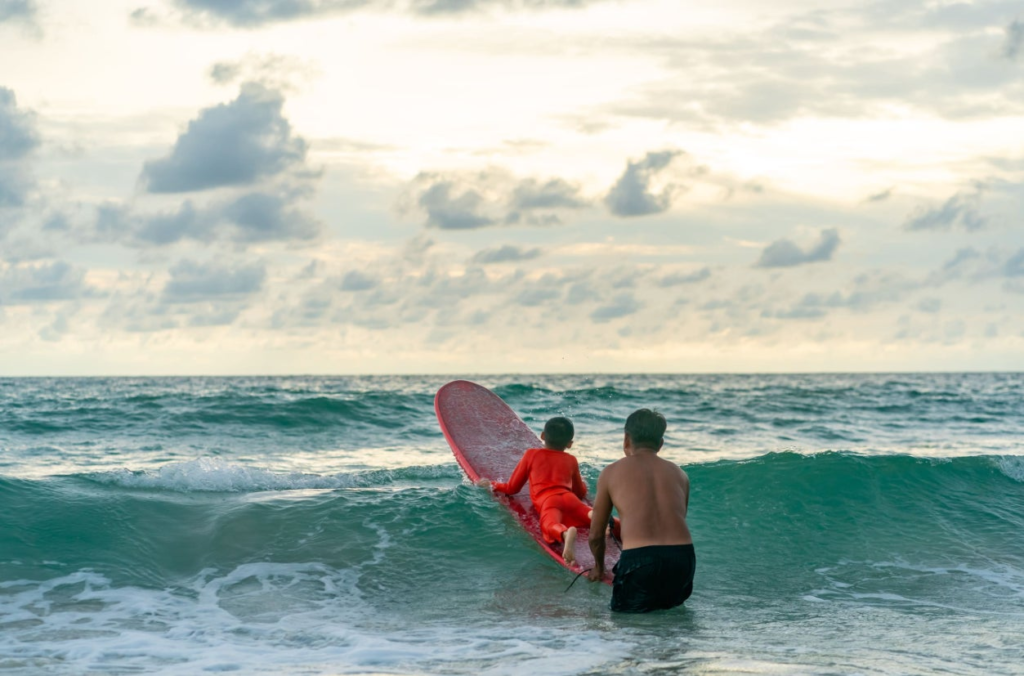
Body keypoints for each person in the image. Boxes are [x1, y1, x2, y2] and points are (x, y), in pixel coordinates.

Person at [587, 408, 695, 613]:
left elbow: (595, 535)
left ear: (626, 439)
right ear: (661, 444)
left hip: (640, 561)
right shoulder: (680, 474)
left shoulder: (611, 472)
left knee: (627, 624)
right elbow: (677, 516)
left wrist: (599, 567)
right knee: (668, 619)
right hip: (683, 559)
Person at [483, 416, 592, 564]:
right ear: (570, 444)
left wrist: (491, 484)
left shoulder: (531, 454)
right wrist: (584, 484)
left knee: (549, 524)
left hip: (549, 501)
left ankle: (565, 533)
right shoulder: (571, 459)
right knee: (587, 513)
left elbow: (512, 488)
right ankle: (611, 524)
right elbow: (580, 493)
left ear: (542, 436)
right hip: (569, 497)